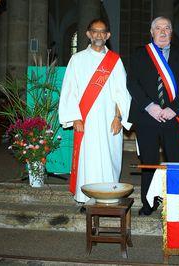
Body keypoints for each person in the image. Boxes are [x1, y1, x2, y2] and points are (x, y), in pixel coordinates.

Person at [127, 16, 179, 216]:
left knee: (174, 161)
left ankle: (175, 203)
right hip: (147, 116)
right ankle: (149, 202)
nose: (163, 32)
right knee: (149, 161)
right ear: (152, 31)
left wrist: (173, 109)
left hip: (173, 117)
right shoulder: (140, 54)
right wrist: (150, 107)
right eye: (158, 28)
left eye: (167, 28)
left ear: (171, 32)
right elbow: (132, 83)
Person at [59, 19, 131, 204]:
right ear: (88, 34)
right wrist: (75, 118)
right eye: (95, 31)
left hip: (109, 120)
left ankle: (109, 197)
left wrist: (118, 117)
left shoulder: (114, 61)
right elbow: (69, 90)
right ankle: (85, 197)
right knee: (87, 160)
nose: (98, 35)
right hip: (86, 120)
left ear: (108, 35)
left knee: (109, 157)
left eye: (102, 32)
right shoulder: (77, 59)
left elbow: (121, 92)